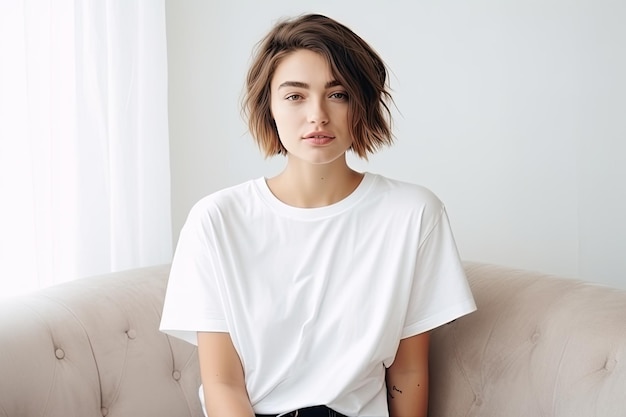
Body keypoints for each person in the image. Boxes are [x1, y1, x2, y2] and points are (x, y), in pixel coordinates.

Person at [160, 13, 476, 417]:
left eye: (338, 94)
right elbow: (222, 382)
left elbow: (408, 370)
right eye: (295, 96)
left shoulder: (413, 214)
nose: (318, 115)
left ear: (360, 104)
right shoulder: (216, 220)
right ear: (269, 106)